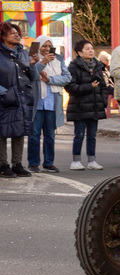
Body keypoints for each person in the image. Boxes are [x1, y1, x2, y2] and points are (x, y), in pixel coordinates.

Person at [0, 21, 37, 178]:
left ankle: (17, 164)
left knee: (19, 131)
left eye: (18, 33)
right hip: (4, 98)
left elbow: (32, 77)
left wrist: (33, 65)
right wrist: (4, 92)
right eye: (12, 32)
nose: (16, 35)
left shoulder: (24, 52)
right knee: (1, 132)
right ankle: (2, 165)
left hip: (22, 97)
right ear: (2, 35)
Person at [28, 36, 70, 173]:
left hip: (52, 102)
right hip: (37, 102)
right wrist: (42, 62)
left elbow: (67, 77)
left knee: (50, 134)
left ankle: (49, 163)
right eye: (44, 46)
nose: (46, 49)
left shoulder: (58, 59)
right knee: (34, 134)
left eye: (49, 46)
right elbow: (31, 76)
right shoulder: (32, 58)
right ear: (38, 46)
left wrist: (50, 79)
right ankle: (33, 163)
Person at [66, 39, 109, 170]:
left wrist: (103, 101)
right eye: (87, 49)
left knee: (92, 135)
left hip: (95, 106)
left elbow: (103, 87)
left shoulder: (97, 65)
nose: (91, 51)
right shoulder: (73, 67)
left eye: (91, 48)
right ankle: (76, 161)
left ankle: (92, 160)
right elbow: (70, 87)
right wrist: (89, 86)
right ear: (79, 52)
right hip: (79, 106)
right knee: (79, 134)